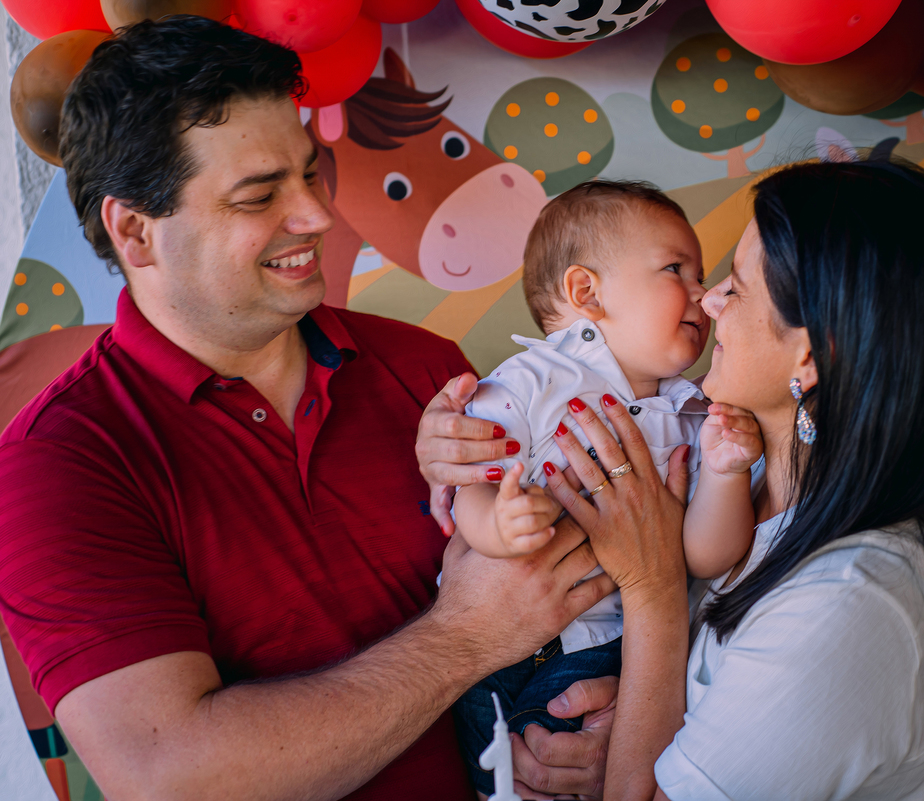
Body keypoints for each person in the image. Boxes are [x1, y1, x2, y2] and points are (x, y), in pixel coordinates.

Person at [0, 17, 612, 801]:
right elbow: (171, 777)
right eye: (260, 195)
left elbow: (554, 601)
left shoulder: (425, 368)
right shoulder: (57, 463)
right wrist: (463, 637)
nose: (318, 215)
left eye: (309, 173)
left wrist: (589, 718)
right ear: (136, 232)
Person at [417, 158, 924, 799]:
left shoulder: (851, 604)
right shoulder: (740, 456)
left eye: (734, 287)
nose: (707, 300)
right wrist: (454, 451)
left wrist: (651, 588)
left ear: (810, 356)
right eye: (685, 274)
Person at [449, 180, 762, 796]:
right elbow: (471, 483)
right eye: (676, 270)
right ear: (586, 292)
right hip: (493, 634)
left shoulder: (694, 413)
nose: (703, 295)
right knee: (488, 759)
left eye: (700, 275)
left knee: (552, 754)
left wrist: (726, 473)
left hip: (603, 646)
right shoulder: (530, 380)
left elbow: (704, 556)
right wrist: (498, 526)